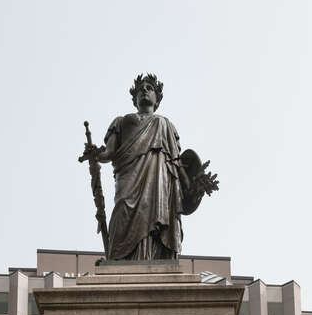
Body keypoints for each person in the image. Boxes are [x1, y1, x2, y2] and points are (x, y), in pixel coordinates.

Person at [82, 73, 218, 260]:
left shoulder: (164, 124)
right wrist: (96, 154)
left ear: (157, 99)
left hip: (159, 181)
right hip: (128, 179)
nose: (144, 91)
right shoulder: (121, 121)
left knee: (156, 217)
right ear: (134, 98)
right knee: (122, 209)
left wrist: (191, 187)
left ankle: (153, 259)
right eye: (140, 89)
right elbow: (109, 153)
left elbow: (176, 163)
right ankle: (119, 262)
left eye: (149, 88)